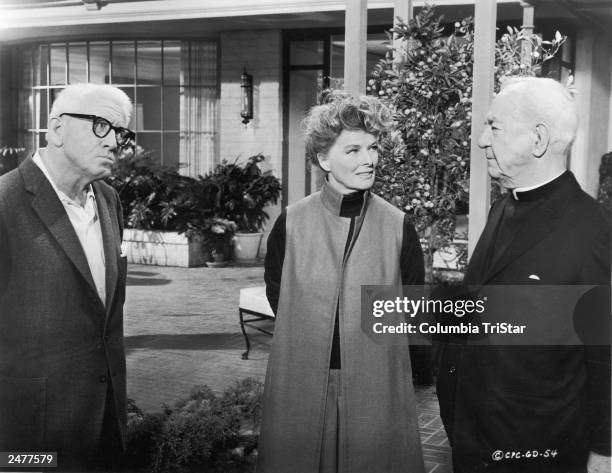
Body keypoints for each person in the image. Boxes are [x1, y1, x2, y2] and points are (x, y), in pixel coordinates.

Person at [436, 77, 611, 473]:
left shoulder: (593, 230)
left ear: (538, 139)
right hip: (476, 434)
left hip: (539, 444)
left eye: (493, 127)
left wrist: (604, 449)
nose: (481, 139)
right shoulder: (502, 207)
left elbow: (604, 354)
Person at [257, 91, 426, 473]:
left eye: (373, 148)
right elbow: (278, 297)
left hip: (376, 388)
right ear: (323, 159)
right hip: (302, 383)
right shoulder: (291, 222)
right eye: (353, 150)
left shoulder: (399, 225)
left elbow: (411, 310)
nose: (369, 160)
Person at [0, 83, 133, 470]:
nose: (114, 142)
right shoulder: (5, 204)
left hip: (104, 429)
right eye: (100, 125)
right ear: (56, 130)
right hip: (29, 437)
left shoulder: (109, 200)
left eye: (120, 132)